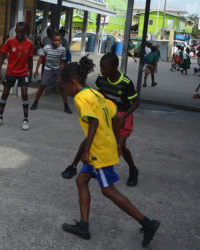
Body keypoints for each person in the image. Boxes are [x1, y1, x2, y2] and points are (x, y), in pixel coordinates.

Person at [60, 55, 160, 247]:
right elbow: (115, 116)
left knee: (108, 190)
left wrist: (87, 151)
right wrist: (117, 142)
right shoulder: (95, 94)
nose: (64, 90)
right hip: (106, 146)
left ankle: (147, 223)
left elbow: (94, 122)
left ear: (73, 82)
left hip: (99, 151)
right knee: (81, 180)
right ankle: (83, 226)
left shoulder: (82, 98)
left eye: (64, 86)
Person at [62, 53, 141, 187]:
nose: (102, 71)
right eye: (101, 68)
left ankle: (133, 169)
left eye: (105, 68)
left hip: (122, 114)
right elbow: (99, 97)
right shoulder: (101, 79)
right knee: (89, 139)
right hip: (106, 111)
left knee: (120, 145)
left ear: (115, 67)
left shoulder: (125, 83)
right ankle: (74, 165)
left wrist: (124, 116)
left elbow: (136, 102)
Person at [0, 22, 33, 130]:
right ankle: (0, 117)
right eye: (17, 31)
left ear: (25, 32)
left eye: (22, 32)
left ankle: (25, 120)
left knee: (25, 94)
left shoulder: (29, 44)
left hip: (23, 72)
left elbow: (30, 59)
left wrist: (30, 73)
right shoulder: (9, 42)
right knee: (5, 93)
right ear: (15, 31)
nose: (19, 34)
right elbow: (2, 56)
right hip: (10, 72)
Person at [30, 32, 72, 113]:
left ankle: (66, 106)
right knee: (42, 86)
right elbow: (40, 59)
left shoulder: (62, 49)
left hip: (57, 70)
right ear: (51, 40)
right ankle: (35, 103)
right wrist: (36, 70)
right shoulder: (46, 47)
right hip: (48, 69)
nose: (57, 42)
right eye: (55, 40)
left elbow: (62, 62)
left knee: (61, 88)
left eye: (59, 41)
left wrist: (61, 74)